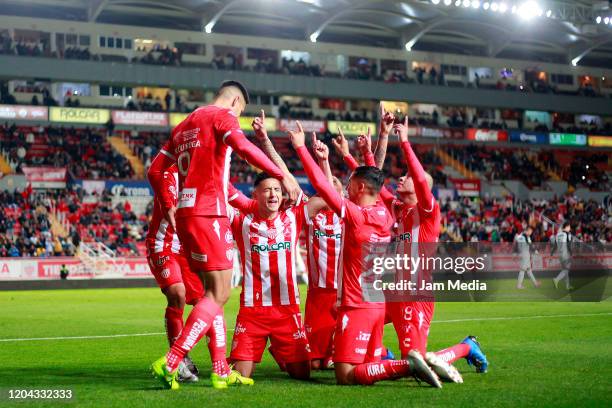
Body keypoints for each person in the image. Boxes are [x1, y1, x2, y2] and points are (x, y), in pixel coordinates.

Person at [148, 80, 297, 390]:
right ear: (237, 103)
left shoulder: (184, 124)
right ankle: (172, 360)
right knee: (220, 294)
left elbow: (154, 170)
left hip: (187, 215)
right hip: (209, 214)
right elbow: (242, 147)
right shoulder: (223, 116)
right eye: (240, 111)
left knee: (209, 296)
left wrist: (169, 206)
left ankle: (219, 368)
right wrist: (283, 177)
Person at [290, 121, 441, 387]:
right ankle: (393, 360)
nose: (345, 189)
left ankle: (412, 363)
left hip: (376, 300)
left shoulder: (360, 216)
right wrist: (355, 154)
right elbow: (374, 182)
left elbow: (326, 187)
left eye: (349, 185)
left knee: (346, 376)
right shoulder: (388, 213)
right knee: (366, 365)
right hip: (382, 299)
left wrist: (301, 149)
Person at [146, 165, 204, 383]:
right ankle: (180, 359)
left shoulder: (205, 176)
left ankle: (217, 361)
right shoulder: (169, 173)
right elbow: (173, 210)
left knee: (205, 304)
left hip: (187, 248)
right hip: (163, 244)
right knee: (178, 293)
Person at [552, 222, 573, 290]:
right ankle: (556, 279)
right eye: (569, 227)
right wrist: (571, 253)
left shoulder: (558, 234)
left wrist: (552, 253)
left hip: (560, 254)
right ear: (566, 227)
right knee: (566, 270)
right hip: (565, 253)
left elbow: (555, 245)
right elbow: (568, 244)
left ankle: (567, 286)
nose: (570, 228)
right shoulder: (567, 234)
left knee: (565, 270)